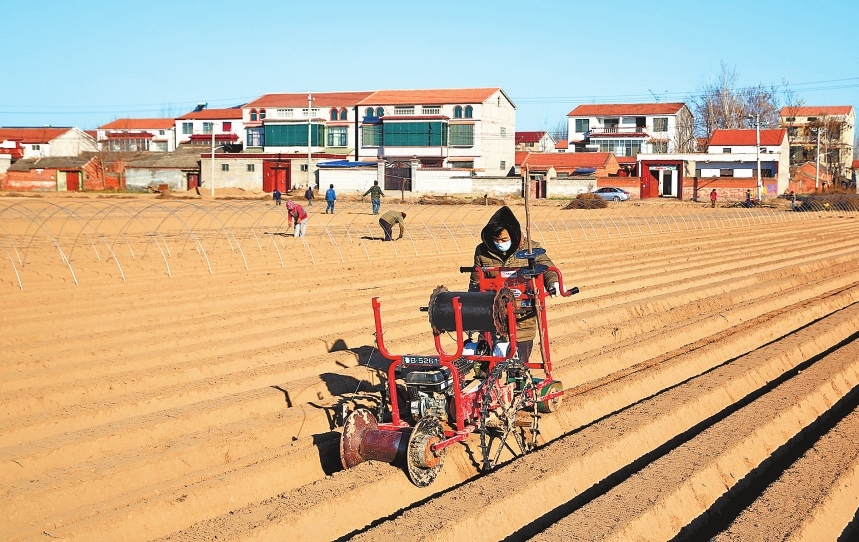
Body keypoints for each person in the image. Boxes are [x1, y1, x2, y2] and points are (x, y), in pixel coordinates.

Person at [468, 206, 559, 365]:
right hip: (491, 314)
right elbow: (476, 282)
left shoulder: (531, 249)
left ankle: (518, 378)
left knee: (518, 365)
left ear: (514, 234)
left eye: (504, 240)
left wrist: (553, 282)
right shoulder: (482, 251)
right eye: (496, 240)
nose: (499, 244)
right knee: (485, 361)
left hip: (522, 316)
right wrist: (471, 309)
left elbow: (547, 267)